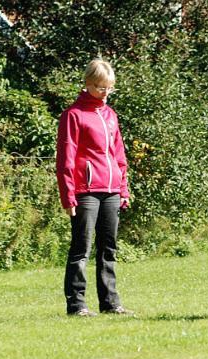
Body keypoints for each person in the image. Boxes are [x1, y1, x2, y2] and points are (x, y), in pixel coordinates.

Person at [56, 59, 132, 316]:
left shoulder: (111, 116)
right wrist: (68, 196)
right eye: (101, 87)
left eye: (109, 88)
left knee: (108, 248)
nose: (106, 93)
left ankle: (110, 303)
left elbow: (119, 155)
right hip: (85, 191)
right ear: (88, 84)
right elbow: (66, 158)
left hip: (111, 190)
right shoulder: (73, 115)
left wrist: (123, 188)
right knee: (81, 248)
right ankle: (77, 305)